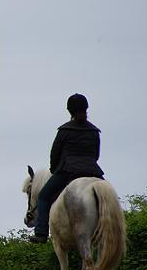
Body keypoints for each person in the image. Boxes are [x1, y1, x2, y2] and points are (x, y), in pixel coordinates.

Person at [29, 93, 104, 244]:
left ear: (70, 111)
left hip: (67, 170)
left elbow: (54, 154)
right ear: (86, 108)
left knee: (43, 196)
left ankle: (41, 233)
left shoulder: (64, 131)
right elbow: (96, 155)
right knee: (106, 196)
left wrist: (55, 169)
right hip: (93, 171)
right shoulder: (94, 132)